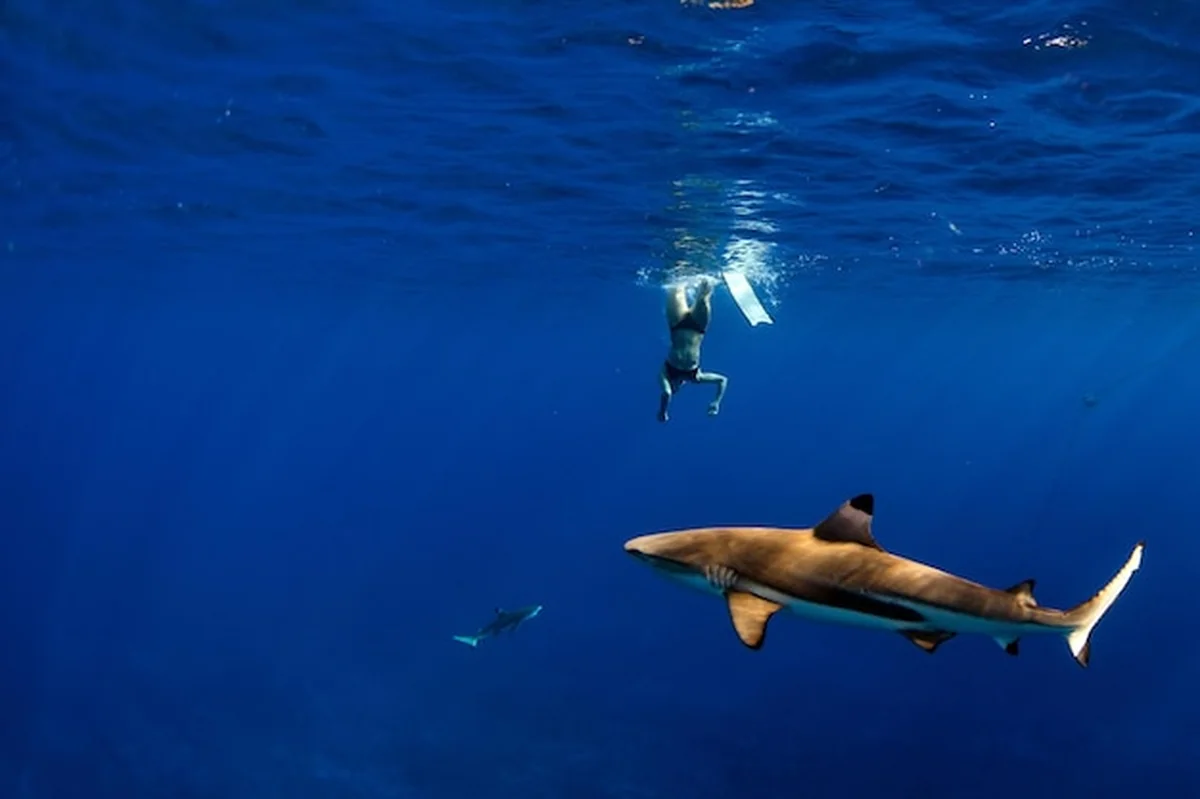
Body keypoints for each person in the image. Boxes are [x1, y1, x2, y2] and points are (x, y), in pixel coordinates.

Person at [658, 277, 728, 423]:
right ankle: (708, 269)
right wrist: (716, 402)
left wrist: (663, 411)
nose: (674, 388)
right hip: (698, 328)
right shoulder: (695, 376)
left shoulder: (665, 372)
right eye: (676, 389)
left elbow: (666, 393)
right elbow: (722, 380)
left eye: (673, 387)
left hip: (676, 323)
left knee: (676, 286)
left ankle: (679, 262)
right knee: (704, 295)